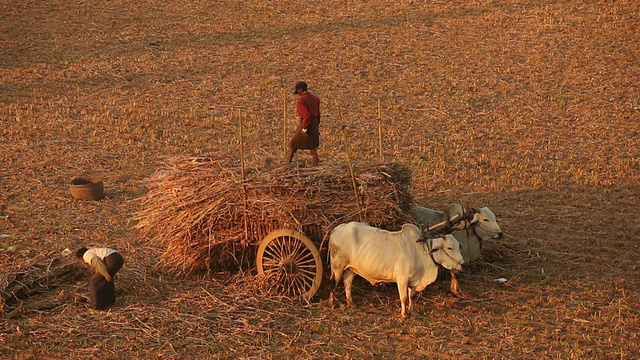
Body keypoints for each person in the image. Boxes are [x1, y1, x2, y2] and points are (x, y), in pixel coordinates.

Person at [286, 81, 321, 166]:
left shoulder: (301, 100)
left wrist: (304, 129)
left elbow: (306, 115)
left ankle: (287, 164)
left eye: (298, 91)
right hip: (315, 123)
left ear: (300, 90)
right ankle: (315, 163)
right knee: (312, 144)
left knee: (293, 144)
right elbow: (318, 114)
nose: (298, 93)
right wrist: (316, 125)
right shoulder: (315, 98)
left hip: (306, 123)